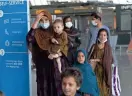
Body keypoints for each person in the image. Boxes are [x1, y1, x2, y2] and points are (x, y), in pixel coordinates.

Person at [26, 10, 69, 96]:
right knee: (44, 89)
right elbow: (29, 38)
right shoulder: (37, 32)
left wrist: (58, 54)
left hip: (55, 65)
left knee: (57, 88)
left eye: (46, 20)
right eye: (41, 20)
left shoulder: (55, 30)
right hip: (42, 66)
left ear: (50, 20)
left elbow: (65, 45)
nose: (44, 22)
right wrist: (36, 20)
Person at [88, 28, 113, 96]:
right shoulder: (94, 46)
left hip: (105, 72)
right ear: (98, 36)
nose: (102, 37)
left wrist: (97, 60)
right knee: (95, 88)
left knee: (104, 90)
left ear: (107, 36)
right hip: (95, 72)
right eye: (101, 35)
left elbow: (110, 60)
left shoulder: (108, 47)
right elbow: (89, 58)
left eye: (104, 35)